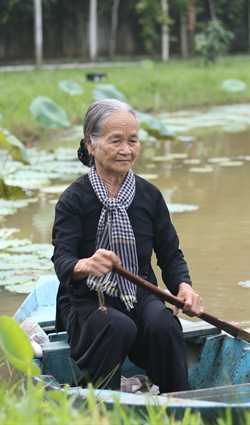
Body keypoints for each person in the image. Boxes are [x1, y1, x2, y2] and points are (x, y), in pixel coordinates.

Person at [51, 99, 204, 394]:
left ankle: (179, 403)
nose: (126, 150)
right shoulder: (73, 199)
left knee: (165, 325)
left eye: (133, 141)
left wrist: (184, 288)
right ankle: (101, 400)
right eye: (116, 141)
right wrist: (85, 265)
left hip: (139, 292)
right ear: (91, 144)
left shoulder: (149, 196)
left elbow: (170, 255)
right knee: (118, 326)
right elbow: (63, 260)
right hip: (86, 296)